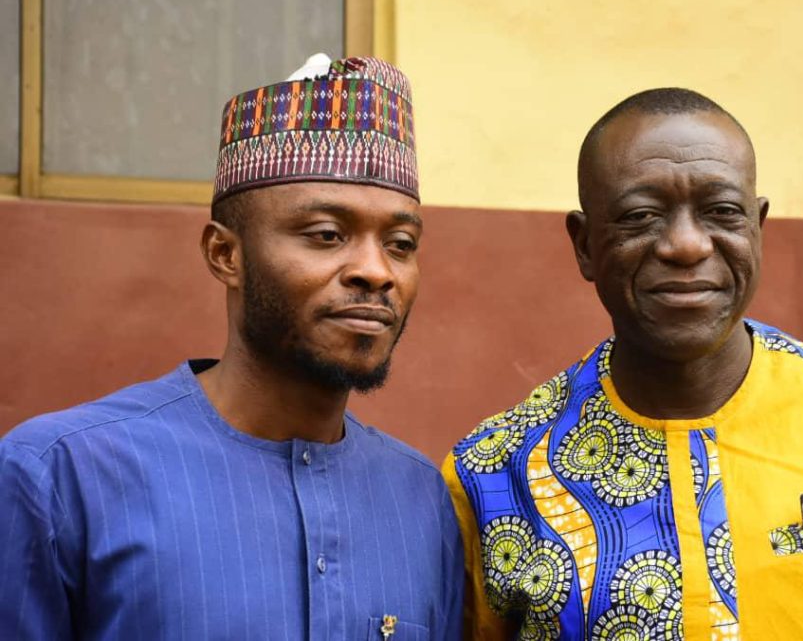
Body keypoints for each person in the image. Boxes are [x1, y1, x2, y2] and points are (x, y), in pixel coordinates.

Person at [443, 88, 803, 639]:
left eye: (721, 212)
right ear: (585, 245)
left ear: (757, 227)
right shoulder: (492, 475)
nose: (687, 245)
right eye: (641, 216)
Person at [0, 55, 463, 640]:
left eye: (400, 243)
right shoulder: (62, 475)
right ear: (225, 254)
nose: (376, 271)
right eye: (327, 235)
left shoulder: (420, 499)